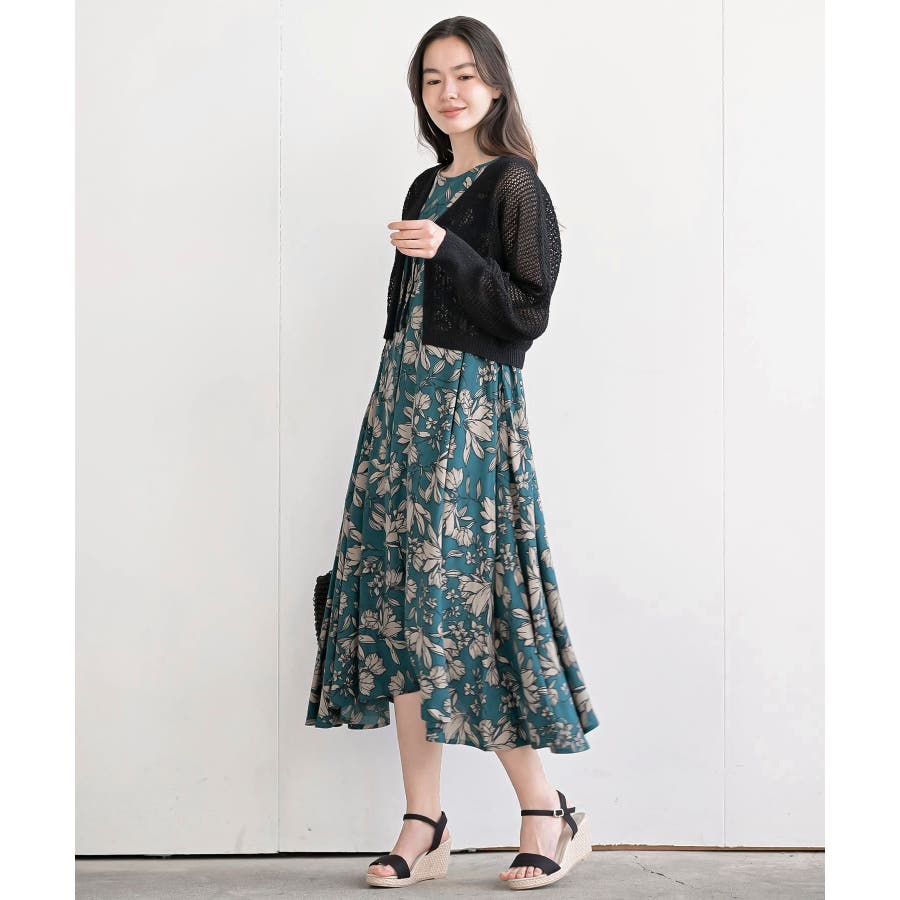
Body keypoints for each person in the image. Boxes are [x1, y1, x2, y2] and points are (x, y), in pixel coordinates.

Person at [305, 16, 599, 891]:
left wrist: (451, 251)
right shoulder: (427, 182)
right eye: (433, 79)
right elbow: (409, 318)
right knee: (403, 605)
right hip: (402, 412)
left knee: (463, 601)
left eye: (465, 75)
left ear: (496, 85)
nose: (449, 92)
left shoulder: (515, 184)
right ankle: (423, 820)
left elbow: (528, 311)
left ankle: (548, 810)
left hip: (470, 415)